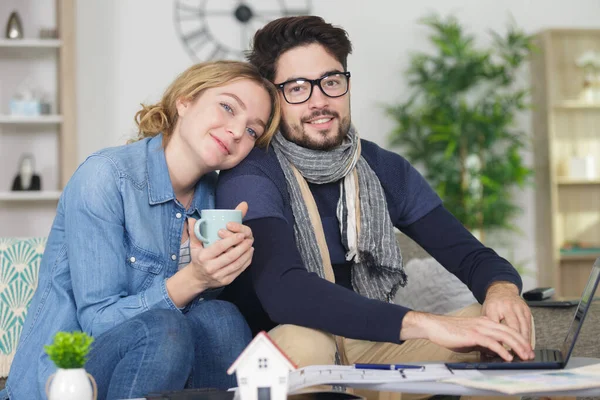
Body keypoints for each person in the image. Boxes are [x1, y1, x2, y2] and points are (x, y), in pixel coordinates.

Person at [216, 15, 535, 382]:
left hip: (365, 342)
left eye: (331, 82)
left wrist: (503, 291)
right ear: (274, 98)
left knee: (505, 327)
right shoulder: (253, 171)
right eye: (298, 88)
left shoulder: (384, 168)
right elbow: (283, 291)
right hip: (282, 346)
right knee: (308, 342)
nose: (319, 101)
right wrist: (425, 324)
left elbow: (472, 256)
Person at [3, 60, 281, 400]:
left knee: (220, 316)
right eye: (227, 107)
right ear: (185, 100)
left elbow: (199, 322)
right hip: (63, 381)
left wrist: (225, 269)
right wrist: (195, 278)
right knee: (162, 329)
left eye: (253, 130)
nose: (238, 132)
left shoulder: (217, 201)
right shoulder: (105, 177)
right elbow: (100, 322)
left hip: (153, 372)